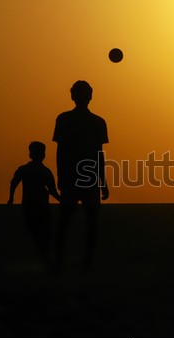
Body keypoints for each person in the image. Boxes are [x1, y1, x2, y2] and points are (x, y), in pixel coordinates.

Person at [53, 80, 109, 272]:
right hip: (87, 178)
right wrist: (103, 181)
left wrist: (60, 175)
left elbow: (60, 152)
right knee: (90, 223)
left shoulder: (64, 119)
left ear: (72, 96)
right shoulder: (97, 122)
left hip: (73, 177)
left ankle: (60, 262)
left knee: (65, 222)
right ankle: (86, 263)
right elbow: (99, 154)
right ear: (90, 96)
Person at [8, 141, 60, 267]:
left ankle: (41, 256)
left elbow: (14, 183)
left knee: (34, 230)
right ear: (43, 155)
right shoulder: (45, 171)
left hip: (30, 204)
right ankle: (43, 256)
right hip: (41, 205)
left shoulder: (24, 170)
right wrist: (63, 201)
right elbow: (52, 190)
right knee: (43, 231)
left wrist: (11, 198)